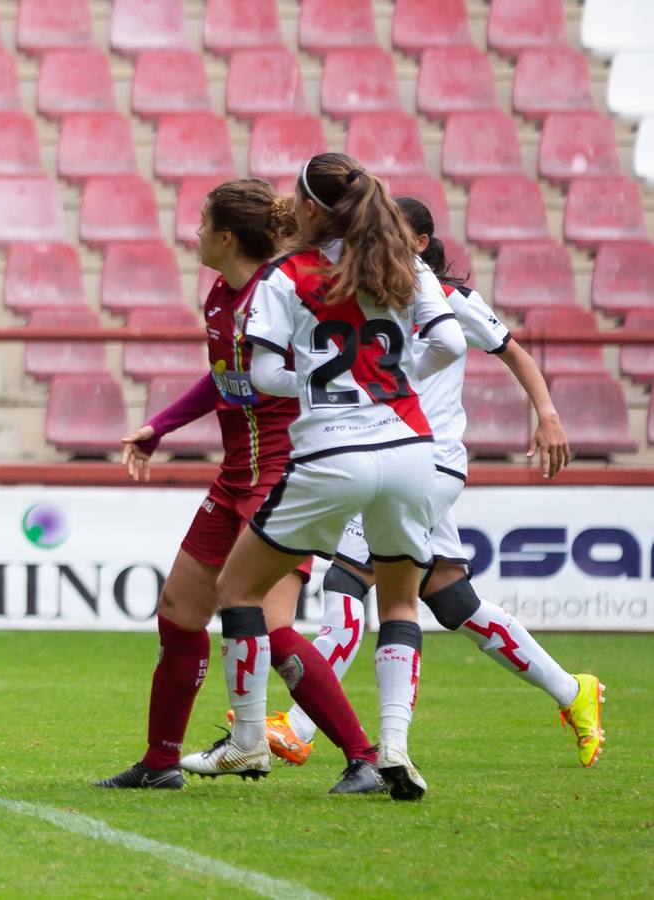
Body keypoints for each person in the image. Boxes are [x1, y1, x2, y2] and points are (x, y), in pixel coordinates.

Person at [272, 198, 605, 767]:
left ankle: (300, 726)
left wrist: (547, 415)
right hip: (398, 459)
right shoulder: (370, 297)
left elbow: (513, 352)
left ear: (420, 243)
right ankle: (575, 692)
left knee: (349, 578)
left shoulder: (448, 299)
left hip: (422, 462)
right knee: (452, 599)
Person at [179, 153, 467, 801]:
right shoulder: (404, 264)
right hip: (411, 449)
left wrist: (323, 385)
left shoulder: (289, 272)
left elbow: (261, 376)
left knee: (236, 588)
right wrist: (390, 381)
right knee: (397, 602)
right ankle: (392, 746)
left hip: (331, 452)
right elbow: (448, 343)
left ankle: (248, 738)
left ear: (308, 209)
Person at [91, 178, 383, 794]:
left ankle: (366, 759)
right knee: (179, 611)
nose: (193, 233)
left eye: (201, 224)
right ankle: (160, 761)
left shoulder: (283, 296)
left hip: (285, 478)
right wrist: (159, 426)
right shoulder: (221, 298)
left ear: (226, 237)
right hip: (234, 479)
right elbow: (225, 377)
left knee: (268, 625)